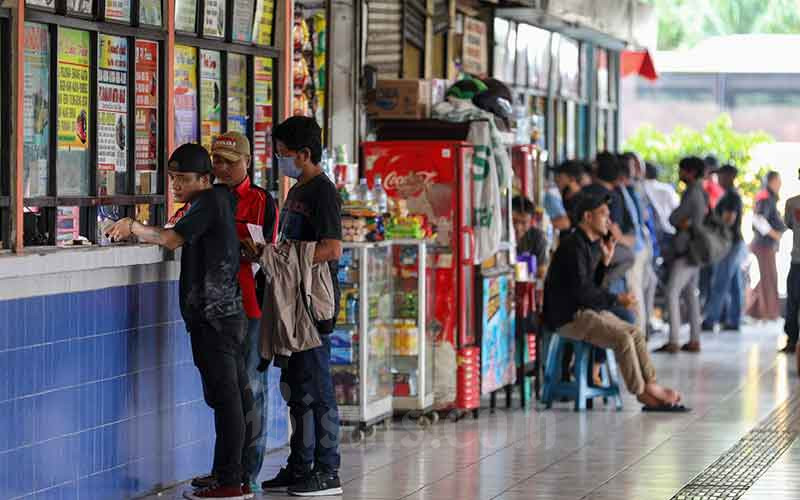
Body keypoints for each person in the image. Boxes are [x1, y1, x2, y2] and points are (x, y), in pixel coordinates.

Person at [107, 144, 253, 500]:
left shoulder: (209, 202)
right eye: (172, 178)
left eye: (183, 179)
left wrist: (133, 226)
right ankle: (228, 474)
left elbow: (170, 239)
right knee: (229, 397)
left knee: (227, 398)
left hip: (216, 316)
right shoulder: (212, 202)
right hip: (222, 314)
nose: (176, 185)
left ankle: (231, 481)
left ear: (204, 178)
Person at [187, 131, 277, 495]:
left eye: (229, 161)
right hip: (214, 309)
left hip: (249, 307)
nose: (222, 168)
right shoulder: (204, 199)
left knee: (249, 392)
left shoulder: (259, 201)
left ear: (246, 162)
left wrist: (228, 243)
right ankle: (225, 470)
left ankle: (246, 473)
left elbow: (263, 249)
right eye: (216, 161)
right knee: (222, 395)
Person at [542, 193, 686, 410]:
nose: (608, 221)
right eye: (603, 215)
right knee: (622, 339)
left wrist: (604, 263)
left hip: (587, 310)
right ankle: (642, 393)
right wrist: (616, 299)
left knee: (635, 333)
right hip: (569, 316)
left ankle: (652, 385)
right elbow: (582, 293)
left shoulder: (592, 244)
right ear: (588, 217)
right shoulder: (573, 246)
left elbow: (592, 288)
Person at [261, 116, 343, 497]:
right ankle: (300, 465)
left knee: (318, 389)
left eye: (284, 155)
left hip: (313, 304)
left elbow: (331, 248)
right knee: (295, 388)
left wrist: (287, 259)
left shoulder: (323, 193)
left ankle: (328, 470)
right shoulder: (296, 190)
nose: (280, 161)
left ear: (305, 154)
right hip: (290, 302)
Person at [656, 157, 707, 354]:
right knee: (690, 294)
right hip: (696, 249)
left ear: (691, 172)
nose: (680, 174)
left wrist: (682, 222)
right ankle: (694, 339)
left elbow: (674, 217)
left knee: (671, 292)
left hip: (687, 249)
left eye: (682, 170)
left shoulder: (692, 192)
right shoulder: (702, 191)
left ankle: (674, 340)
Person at [702, 164, 746, 333]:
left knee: (720, 282)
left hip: (730, 244)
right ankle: (733, 320)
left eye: (721, 176)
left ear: (729, 177)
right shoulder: (729, 195)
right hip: (733, 243)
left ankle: (711, 319)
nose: (718, 179)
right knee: (734, 285)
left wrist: (712, 220)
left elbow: (728, 220)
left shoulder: (731, 197)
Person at [748, 171, 787, 321]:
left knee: (767, 277)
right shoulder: (764, 196)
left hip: (768, 245)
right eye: (778, 180)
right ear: (771, 181)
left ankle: (757, 310)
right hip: (763, 245)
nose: (780, 184)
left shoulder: (770, 197)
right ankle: (767, 312)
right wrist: (774, 234)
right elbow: (758, 219)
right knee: (769, 277)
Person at [783, 169, 800, 353]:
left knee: (794, 301)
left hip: (797, 260)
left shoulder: (793, 203)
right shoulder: (792, 203)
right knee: (793, 302)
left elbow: (788, 224)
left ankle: (792, 341)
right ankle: (792, 340)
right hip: (797, 260)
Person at [512, 195, 549, 277]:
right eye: (514, 221)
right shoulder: (500, 236)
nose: (518, 227)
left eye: (524, 223)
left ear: (531, 222)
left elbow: (541, 272)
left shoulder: (538, 237)